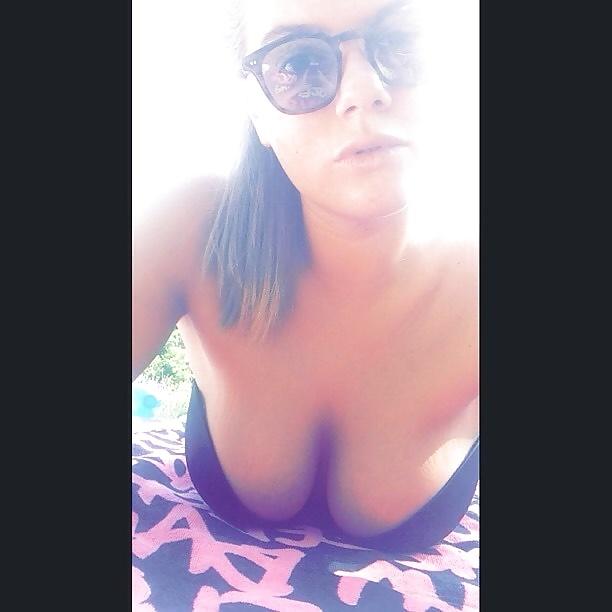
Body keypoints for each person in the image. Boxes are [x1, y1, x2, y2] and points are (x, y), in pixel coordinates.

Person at [132, 0, 478, 553]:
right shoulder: (193, 231)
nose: (364, 90)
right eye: (297, 64)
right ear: (258, 111)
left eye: (400, 41)